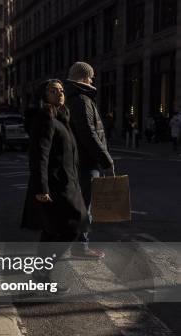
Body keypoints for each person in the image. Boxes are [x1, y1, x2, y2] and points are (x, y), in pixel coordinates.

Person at [21, 79, 87, 290]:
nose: (59, 93)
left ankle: (40, 274)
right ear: (44, 95)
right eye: (53, 90)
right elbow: (39, 154)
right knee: (76, 223)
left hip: (68, 182)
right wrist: (42, 188)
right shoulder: (46, 117)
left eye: (61, 90)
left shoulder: (62, 117)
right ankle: (42, 271)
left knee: (51, 230)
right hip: (57, 186)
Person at [63, 62, 113, 259]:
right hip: (86, 162)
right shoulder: (82, 100)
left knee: (79, 205)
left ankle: (76, 245)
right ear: (83, 78)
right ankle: (80, 248)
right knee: (85, 207)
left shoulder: (73, 98)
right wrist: (106, 160)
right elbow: (88, 133)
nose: (92, 80)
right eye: (90, 77)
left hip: (79, 161)